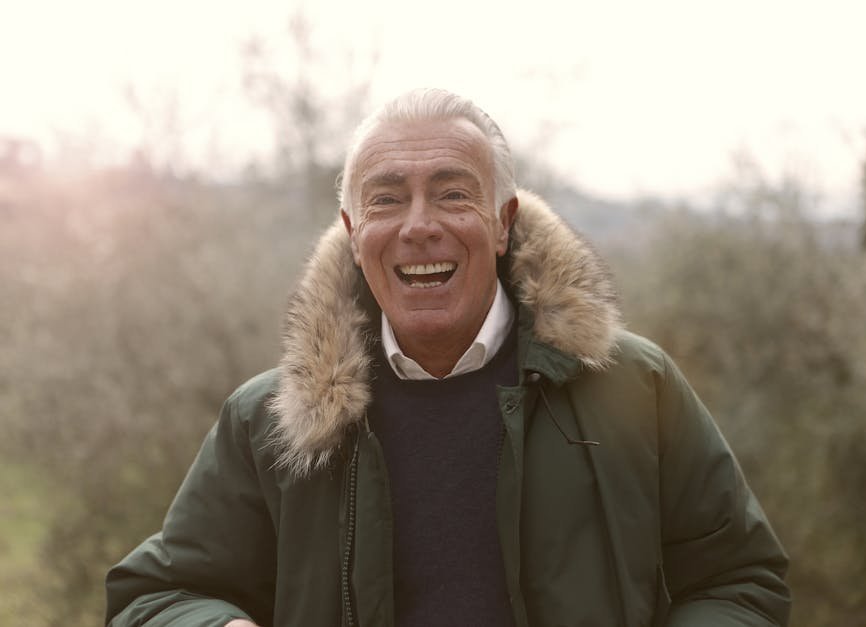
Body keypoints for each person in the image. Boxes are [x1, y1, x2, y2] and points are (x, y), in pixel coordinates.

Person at [105, 88, 790, 627]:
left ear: (502, 222)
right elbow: (155, 595)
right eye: (387, 198)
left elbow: (741, 580)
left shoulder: (635, 387)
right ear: (353, 230)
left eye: (453, 192)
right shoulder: (270, 422)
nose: (419, 224)